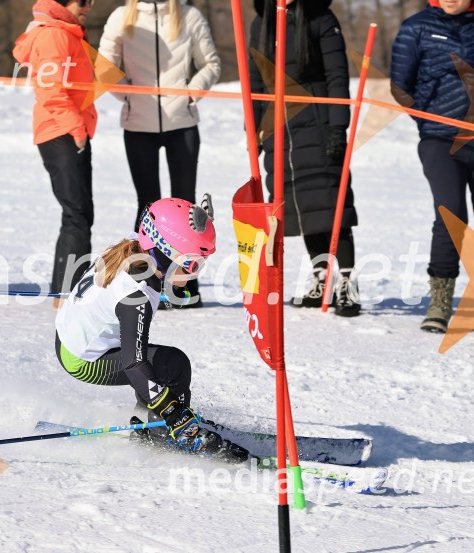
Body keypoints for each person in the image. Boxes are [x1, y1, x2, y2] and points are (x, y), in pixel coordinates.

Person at [54, 196, 241, 457]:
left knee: (159, 364)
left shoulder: (135, 246)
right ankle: (166, 432)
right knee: (173, 365)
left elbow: (165, 229)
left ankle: (148, 419)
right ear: (168, 254)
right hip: (83, 360)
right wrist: (173, 412)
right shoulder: (137, 295)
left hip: (69, 338)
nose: (194, 273)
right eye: (192, 264)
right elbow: (133, 363)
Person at [391, 0, 474, 335]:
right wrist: (429, 121)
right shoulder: (415, 28)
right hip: (439, 140)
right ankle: (441, 302)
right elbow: (400, 86)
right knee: (451, 216)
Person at [98, 0, 221, 308]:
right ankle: (143, 282)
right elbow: (104, 66)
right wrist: (127, 94)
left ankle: (185, 286)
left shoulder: (189, 15)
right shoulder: (121, 17)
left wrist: (191, 93)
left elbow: (211, 63)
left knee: (187, 206)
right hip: (138, 124)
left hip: (182, 123)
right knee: (148, 205)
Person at [249, 0, 360, 317]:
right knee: (301, 206)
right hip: (279, 124)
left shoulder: (320, 17)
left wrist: (338, 126)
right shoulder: (263, 21)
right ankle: (322, 277)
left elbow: (337, 74)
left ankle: (347, 284)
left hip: (318, 118)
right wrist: (254, 130)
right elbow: (256, 81)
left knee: (331, 203)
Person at [13, 0, 97, 298]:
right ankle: (66, 295)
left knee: (81, 213)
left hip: (69, 129)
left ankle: (71, 290)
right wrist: (75, 128)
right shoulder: (54, 35)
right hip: (61, 131)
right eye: (84, 1)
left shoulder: (67, 32)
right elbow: (50, 89)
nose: (90, 6)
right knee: (77, 214)